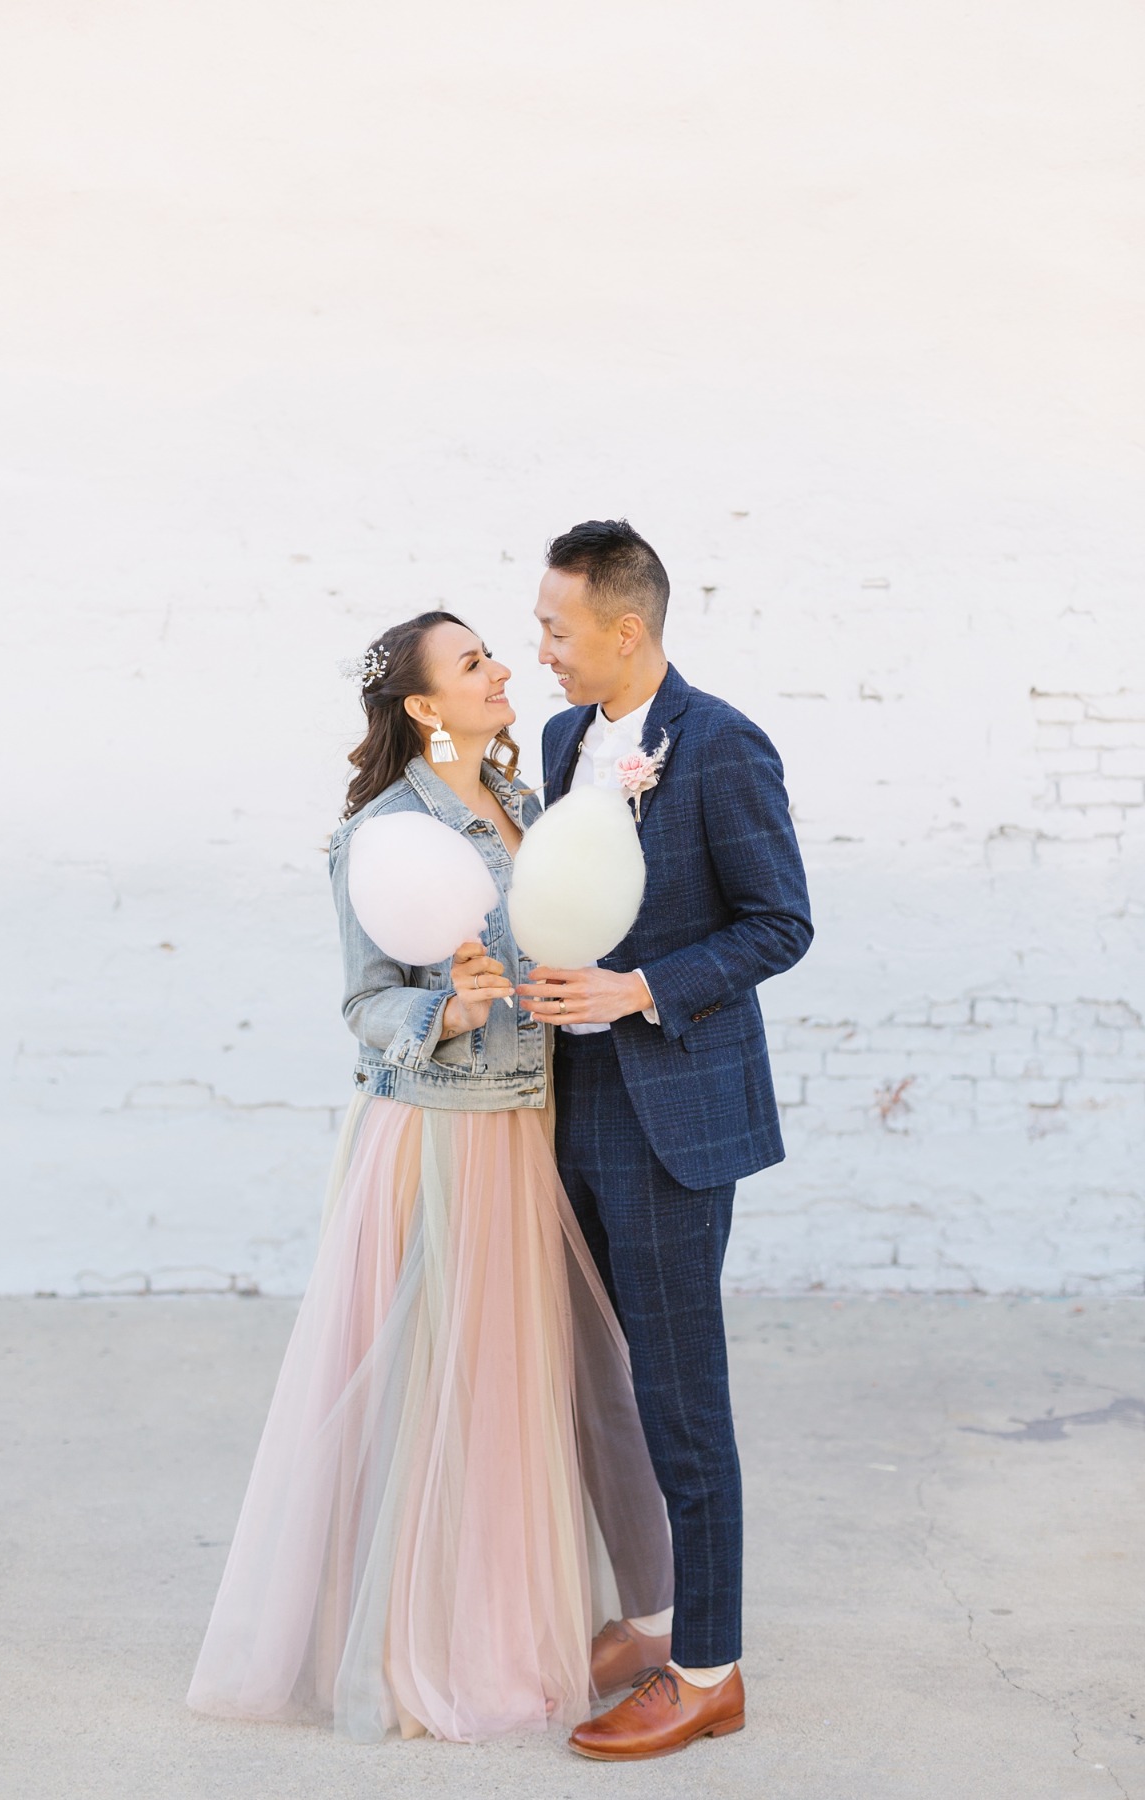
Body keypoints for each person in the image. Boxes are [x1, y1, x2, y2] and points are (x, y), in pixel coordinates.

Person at [187, 609, 672, 1744]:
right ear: (420, 706)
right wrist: (447, 1005)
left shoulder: (537, 805)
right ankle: (419, 1654)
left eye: (495, 653)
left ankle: (505, 1620)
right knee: (431, 1400)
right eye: (473, 663)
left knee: (515, 1394)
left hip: (528, 1130)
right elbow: (364, 1007)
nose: (503, 667)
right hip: (440, 1139)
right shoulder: (381, 831)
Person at [518, 520, 813, 1761]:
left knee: (683, 1398)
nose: (540, 652)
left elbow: (779, 923)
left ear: (623, 631)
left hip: (672, 1122)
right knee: (605, 1391)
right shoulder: (560, 739)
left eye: (555, 629)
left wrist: (639, 991)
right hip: (566, 1111)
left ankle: (708, 1671)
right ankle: (653, 1619)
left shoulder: (724, 744)